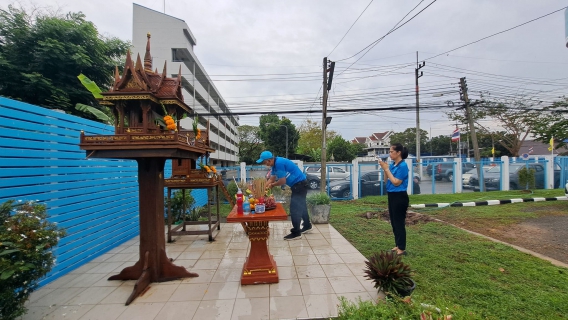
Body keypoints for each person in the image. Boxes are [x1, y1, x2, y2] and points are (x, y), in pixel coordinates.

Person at [256, 150, 312, 240]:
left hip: (299, 185)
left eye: (264, 162)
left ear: (269, 160)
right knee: (302, 206)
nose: (264, 164)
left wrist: (273, 185)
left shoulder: (279, 163)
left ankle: (296, 232)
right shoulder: (274, 165)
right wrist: (263, 189)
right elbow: (272, 179)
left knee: (295, 209)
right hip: (299, 185)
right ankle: (307, 225)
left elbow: (282, 181)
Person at [378, 143, 410, 256]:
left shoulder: (403, 166)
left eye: (391, 151)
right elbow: (387, 180)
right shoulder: (392, 164)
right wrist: (385, 169)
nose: (390, 154)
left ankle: (402, 248)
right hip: (391, 195)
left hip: (399, 196)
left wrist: (387, 169)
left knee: (399, 222)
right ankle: (397, 245)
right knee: (394, 222)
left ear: (398, 153)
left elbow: (397, 182)